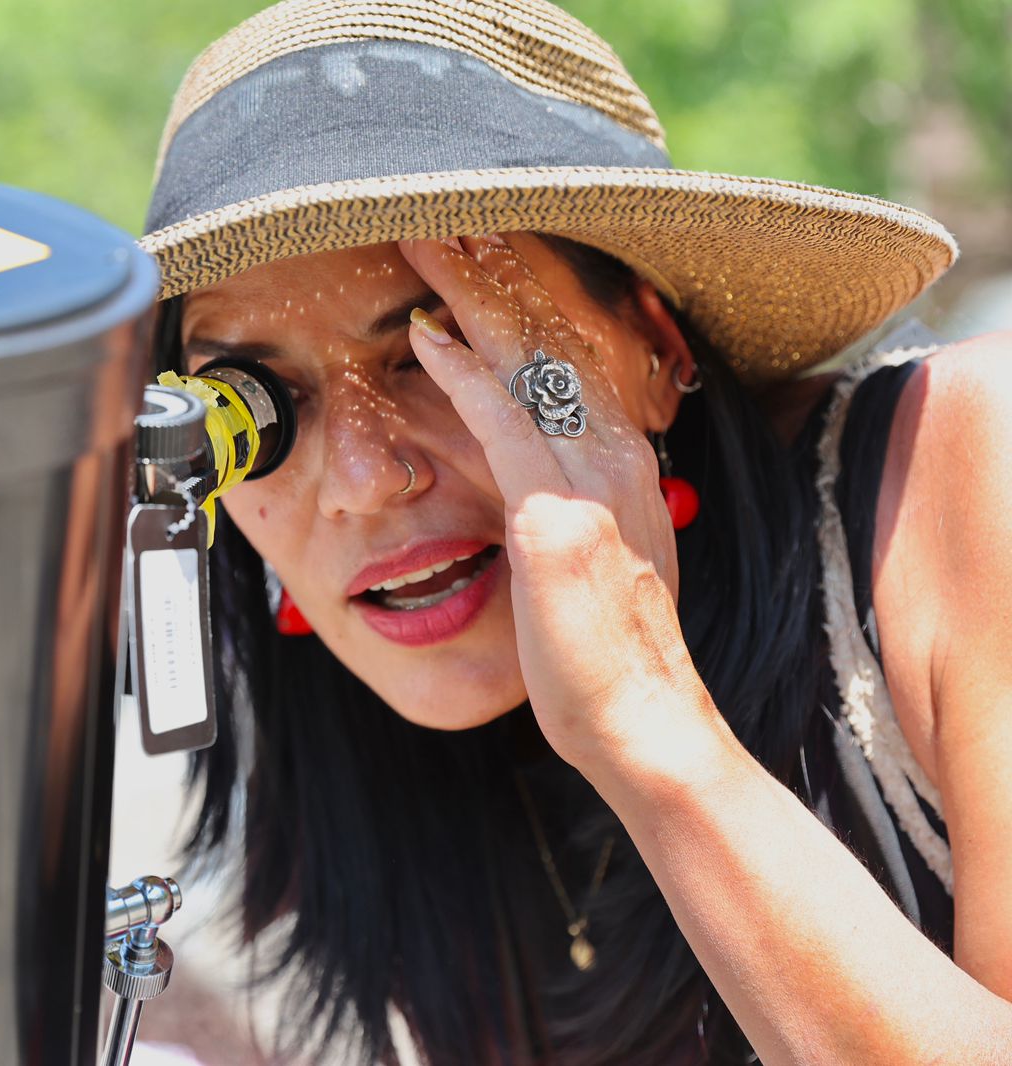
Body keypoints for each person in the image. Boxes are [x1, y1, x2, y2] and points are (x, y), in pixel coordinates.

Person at [137, 2, 1012, 1063]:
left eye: (438, 344)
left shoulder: (962, 464)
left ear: (649, 341)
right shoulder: (361, 780)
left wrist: (644, 720)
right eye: (251, 401)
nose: (363, 482)